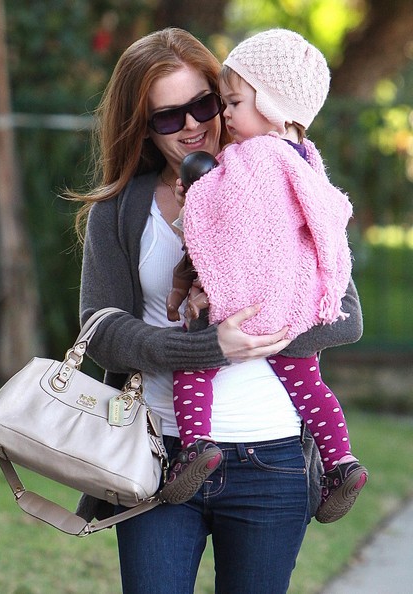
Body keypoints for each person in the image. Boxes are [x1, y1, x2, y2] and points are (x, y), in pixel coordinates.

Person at [72, 27, 363, 594]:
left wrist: (248, 328)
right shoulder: (121, 209)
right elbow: (100, 331)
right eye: (167, 116)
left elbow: (346, 316)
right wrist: (205, 346)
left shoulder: (286, 181)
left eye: (204, 104)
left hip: (273, 458)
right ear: (142, 125)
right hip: (159, 454)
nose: (192, 125)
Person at [163, 29, 368, 524]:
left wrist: (196, 194)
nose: (226, 115)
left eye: (234, 102)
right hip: (292, 308)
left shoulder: (253, 156)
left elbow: (231, 218)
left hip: (244, 301)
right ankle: (341, 462)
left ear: (274, 106)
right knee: (309, 385)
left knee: (193, 368)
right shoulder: (306, 159)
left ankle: (195, 448)